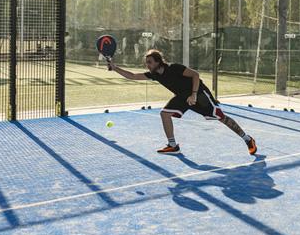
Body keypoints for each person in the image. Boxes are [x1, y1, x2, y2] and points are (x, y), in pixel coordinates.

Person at [108, 48, 257, 155]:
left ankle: (247, 139)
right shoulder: (155, 75)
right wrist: (115, 68)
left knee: (221, 117)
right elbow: (132, 76)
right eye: (147, 63)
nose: (147, 65)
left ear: (158, 62)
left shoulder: (174, 68)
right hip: (182, 97)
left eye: (150, 62)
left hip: (199, 94)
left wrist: (193, 94)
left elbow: (195, 75)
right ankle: (173, 145)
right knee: (164, 114)